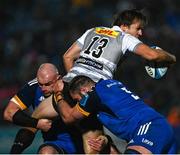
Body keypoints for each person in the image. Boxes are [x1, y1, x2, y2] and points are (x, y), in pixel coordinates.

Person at [62, 9, 176, 153]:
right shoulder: (124, 37)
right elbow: (152, 55)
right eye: (138, 28)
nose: (140, 33)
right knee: (92, 141)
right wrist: (171, 58)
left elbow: (67, 56)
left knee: (45, 119)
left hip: (72, 84)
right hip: (94, 90)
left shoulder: (93, 30)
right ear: (124, 26)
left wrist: (73, 85)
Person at [53, 75, 177, 154]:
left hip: (148, 127)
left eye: (77, 100)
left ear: (84, 91)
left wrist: (58, 94)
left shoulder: (92, 95)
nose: (78, 104)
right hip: (160, 127)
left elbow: (68, 117)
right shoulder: (111, 83)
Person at [3, 63, 80, 154]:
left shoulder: (70, 86)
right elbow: (8, 113)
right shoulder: (33, 87)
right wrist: (37, 123)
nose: (43, 88)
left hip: (82, 138)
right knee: (46, 152)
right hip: (56, 143)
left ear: (58, 78)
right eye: (40, 84)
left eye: (48, 84)